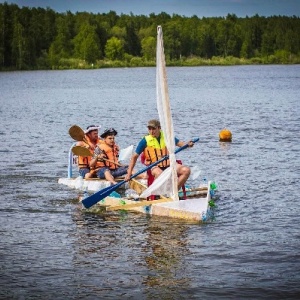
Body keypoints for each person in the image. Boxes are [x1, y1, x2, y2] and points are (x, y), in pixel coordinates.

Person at [125, 119, 194, 189]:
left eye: (154, 129)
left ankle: (174, 191)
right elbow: (134, 156)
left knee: (186, 170)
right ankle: (159, 194)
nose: (151, 131)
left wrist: (188, 144)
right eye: (149, 129)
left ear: (159, 128)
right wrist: (129, 173)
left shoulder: (167, 137)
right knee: (160, 174)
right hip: (154, 166)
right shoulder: (145, 141)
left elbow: (180, 144)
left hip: (169, 164)